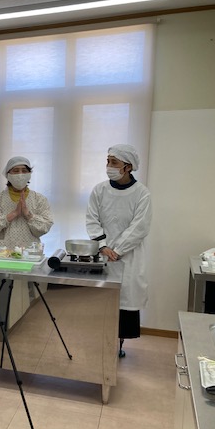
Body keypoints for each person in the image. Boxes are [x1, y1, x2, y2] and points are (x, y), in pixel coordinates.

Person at [86, 144, 152, 358]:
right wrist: (104, 246)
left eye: (114, 162)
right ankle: (100, 344)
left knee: (125, 306)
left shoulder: (141, 193)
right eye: (108, 161)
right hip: (103, 254)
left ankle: (118, 345)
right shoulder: (100, 190)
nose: (109, 166)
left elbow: (140, 226)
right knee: (102, 303)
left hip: (129, 256)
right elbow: (92, 219)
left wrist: (118, 249)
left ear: (128, 167)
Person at [0, 156, 53, 251]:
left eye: (24, 171)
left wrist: (28, 215)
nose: (20, 174)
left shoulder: (39, 199)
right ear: (8, 174)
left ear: (29, 174)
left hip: (31, 253)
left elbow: (45, 227)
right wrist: (14, 214)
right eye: (16, 171)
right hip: (3, 253)